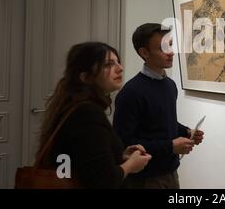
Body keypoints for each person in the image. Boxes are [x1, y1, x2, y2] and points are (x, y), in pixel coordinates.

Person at [37, 42, 152, 188]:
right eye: (108, 65)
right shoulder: (86, 113)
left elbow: (86, 161)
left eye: (118, 62)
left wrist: (119, 156)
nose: (120, 68)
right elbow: (103, 181)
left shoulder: (77, 106)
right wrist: (131, 165)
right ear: (86, 77)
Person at [113, 23, 204, 189]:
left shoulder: (169, 85)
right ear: (144, 53)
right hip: (145, 179)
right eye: (162, 48)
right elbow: (124, 143)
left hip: (170, 172)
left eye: (170, 44)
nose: (170, 52)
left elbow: (162, 122)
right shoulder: (131, 92)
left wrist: (186, 131)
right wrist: (170, 146)